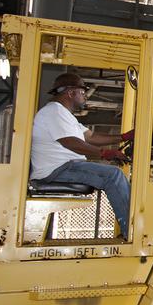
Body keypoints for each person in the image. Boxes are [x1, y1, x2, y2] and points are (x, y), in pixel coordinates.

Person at [32, 72, 133, 238]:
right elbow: (70, 142)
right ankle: (132, 232)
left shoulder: (65, 116)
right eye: (82, 92)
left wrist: (123, 137)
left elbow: (91, 137)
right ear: (71, 93)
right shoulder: (54, 112)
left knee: (115, 175)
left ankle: (131, 226)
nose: (85, 95)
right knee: (113, 175)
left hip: (66, 166)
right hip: (57, 169)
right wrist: (105, 153)